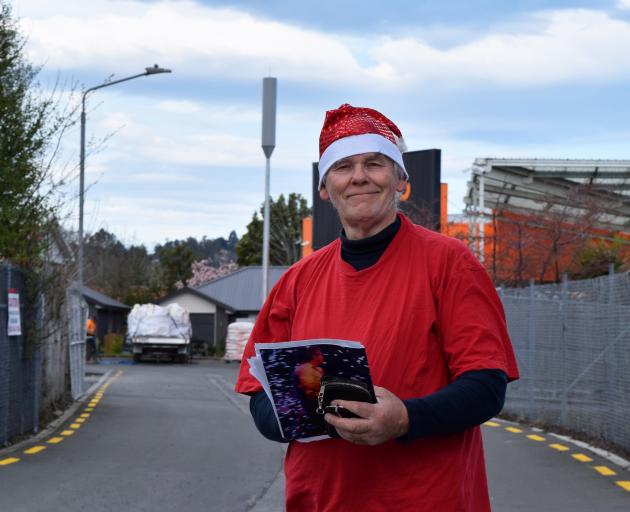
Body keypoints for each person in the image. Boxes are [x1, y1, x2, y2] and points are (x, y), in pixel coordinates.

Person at [236, 103, 519, 511]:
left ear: (401, 179)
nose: (359, 177)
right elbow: (259, 392)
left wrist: (404, 418)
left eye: (375, 163)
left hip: (425, 499)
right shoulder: (297, 281)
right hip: (319, 499)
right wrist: (298, 416)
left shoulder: (449, 263)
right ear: (324, 187)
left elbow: (486, 386)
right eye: (343, 166)